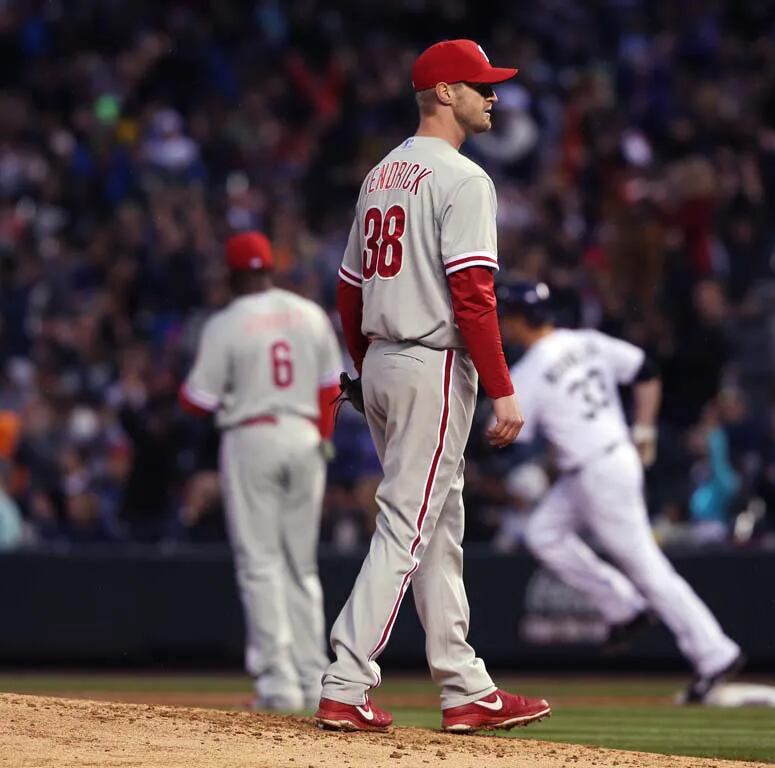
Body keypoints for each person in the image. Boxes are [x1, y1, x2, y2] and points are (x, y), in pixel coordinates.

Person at [317, 39, 550, 734]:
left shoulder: (380, 175)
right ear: (444, 92)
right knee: (409, 525)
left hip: (386, 359)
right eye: (480, 86)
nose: (493, 97)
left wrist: (364, 366)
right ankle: (345, 678)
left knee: (438, 527)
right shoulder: (463, 179)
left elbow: (347, 291)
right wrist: (504, 388)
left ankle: (463, 688)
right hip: (433, 363)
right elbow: (473, 296)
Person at [497, 280, 744, 704]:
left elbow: (506, 435)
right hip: (604, 462)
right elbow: (645, 369)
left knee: (647, 567)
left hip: (597, 472)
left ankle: (714, 652)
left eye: (505, 316)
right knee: (542, 533)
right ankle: (622, 607)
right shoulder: (587, 341)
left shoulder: (527, 372)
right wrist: (644, 426)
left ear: (518, 320)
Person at [180, 231, 342, 711]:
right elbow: (332, 386)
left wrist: (231, 394)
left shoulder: (227, 323)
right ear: (271, 267)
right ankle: (316, 682)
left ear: (231, 275)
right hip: (307, 436)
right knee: (302, 566)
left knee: (260, 564)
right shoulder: (309, 313)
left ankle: (278, 686)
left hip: (253, 436)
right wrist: (321, 442)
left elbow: (196, 401)